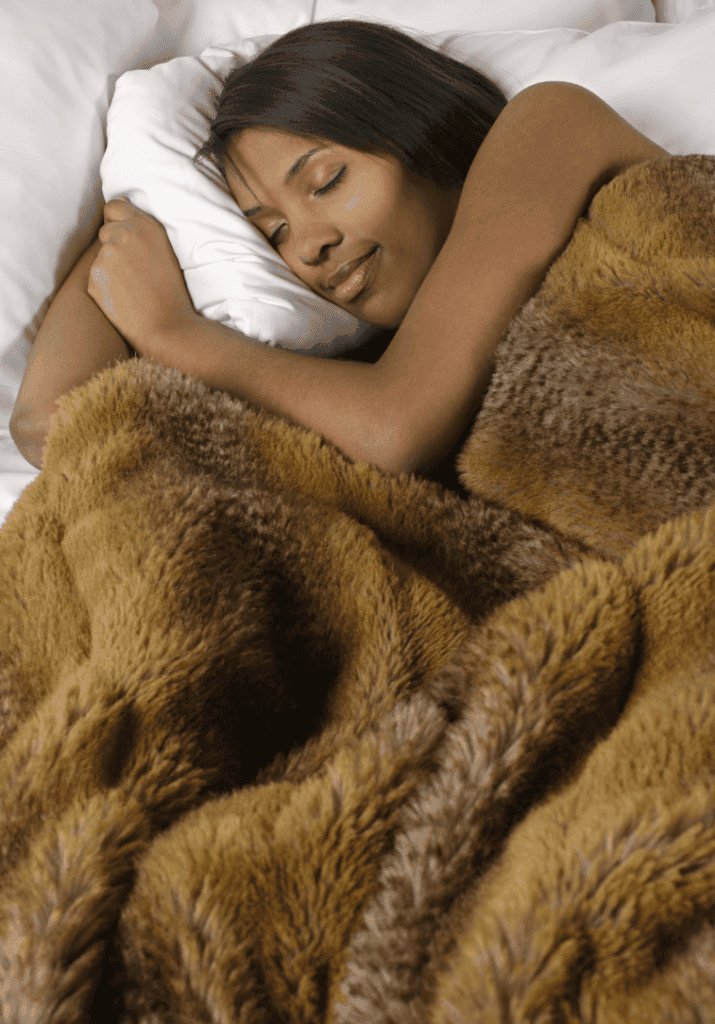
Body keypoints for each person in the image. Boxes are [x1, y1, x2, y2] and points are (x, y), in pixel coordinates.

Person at [10, 19, 668, 483]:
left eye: (326, 182)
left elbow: (395, 428)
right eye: (272, 232)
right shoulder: (335, 384)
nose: (310, 245)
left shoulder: (548, 126)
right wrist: (137, 199)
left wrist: (170, 330)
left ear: (418, 129)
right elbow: (53, 423)